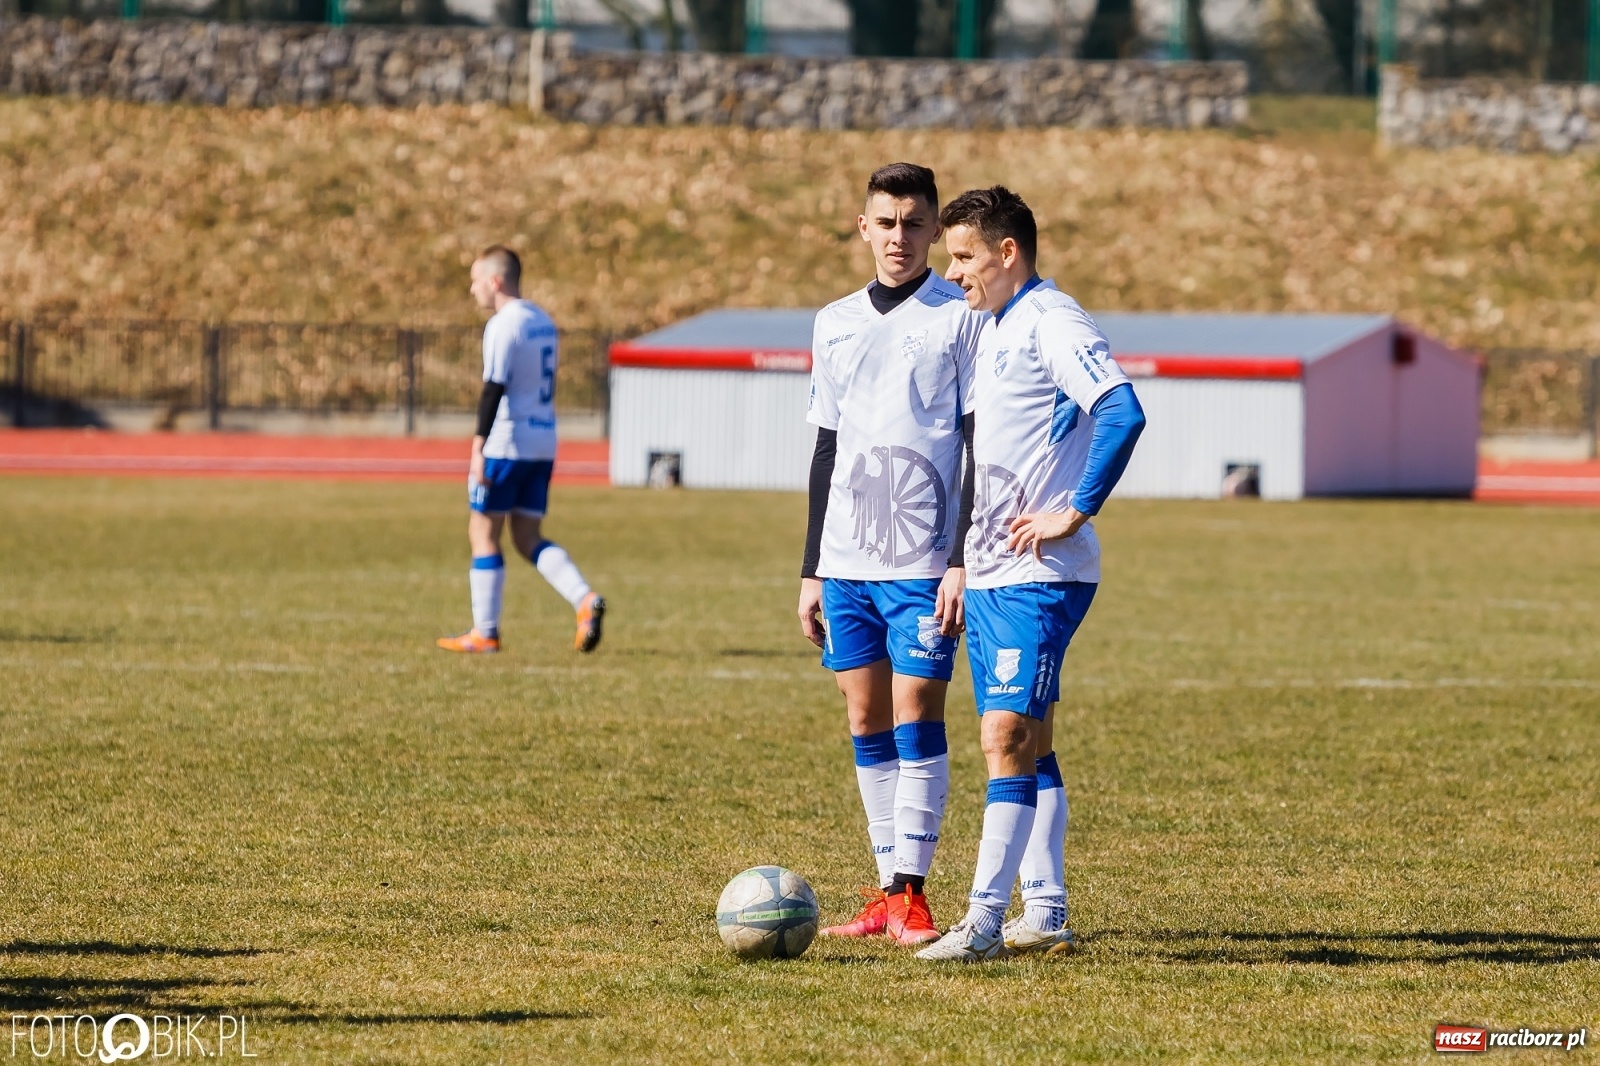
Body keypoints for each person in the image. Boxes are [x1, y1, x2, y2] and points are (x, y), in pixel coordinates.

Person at [915, 187, 1146, 963]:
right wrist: (960, 564)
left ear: (1007, 252)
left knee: (1003, 734)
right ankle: (1043, 910)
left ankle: (982, 921)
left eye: (963, 256)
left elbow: (1121, 409)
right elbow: (986, 460)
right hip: (988, 574)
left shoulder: (1051, 321)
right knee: (1031, 739)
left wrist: (1075, 511)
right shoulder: (996, 329)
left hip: (1039, 575)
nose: (953, 274)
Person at [799, 163, 985, 946]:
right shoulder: (833, 320)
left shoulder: (960, 316)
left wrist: (961, 556)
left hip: (921, 562)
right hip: (845, 560)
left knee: (917, 710)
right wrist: (810, 568)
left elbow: (977, 443)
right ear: (864, 227)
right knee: (864, 712)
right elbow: (825, 446)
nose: (900, 237)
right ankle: (884, 890)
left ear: (934, 230)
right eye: (886, 222)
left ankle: (914, 891)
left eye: (915, 224)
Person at [437, 245, 605, 655]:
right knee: (527, 535)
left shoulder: (503, 324)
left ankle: (485, 632)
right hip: (543, 441)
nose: (472, 288)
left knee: (483, 531)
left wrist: (478, 447)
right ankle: (584, 598)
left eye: (476, 279)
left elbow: (494, 388)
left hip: (506, 443)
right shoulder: (542, 321)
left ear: (496, 281)